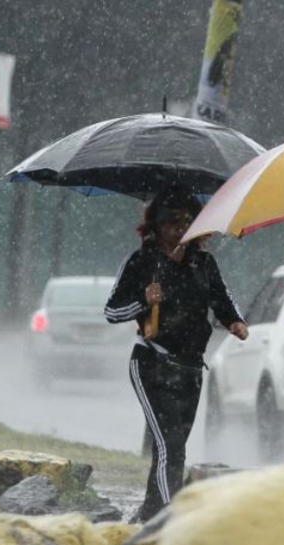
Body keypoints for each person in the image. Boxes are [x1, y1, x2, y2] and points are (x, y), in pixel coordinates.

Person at [105, 184, 248, 523]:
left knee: (172, 448)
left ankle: (151, 513)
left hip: (191, 368)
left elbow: (222, 301)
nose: (179, 229)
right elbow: (112, 312)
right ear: (155, 225)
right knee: (172, 446)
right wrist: (144, 300)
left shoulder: (204, 263)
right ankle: (171, 518)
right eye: (171, 221)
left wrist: (235, 323)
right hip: (152, 364)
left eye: (186, 221)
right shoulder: (142, 261)